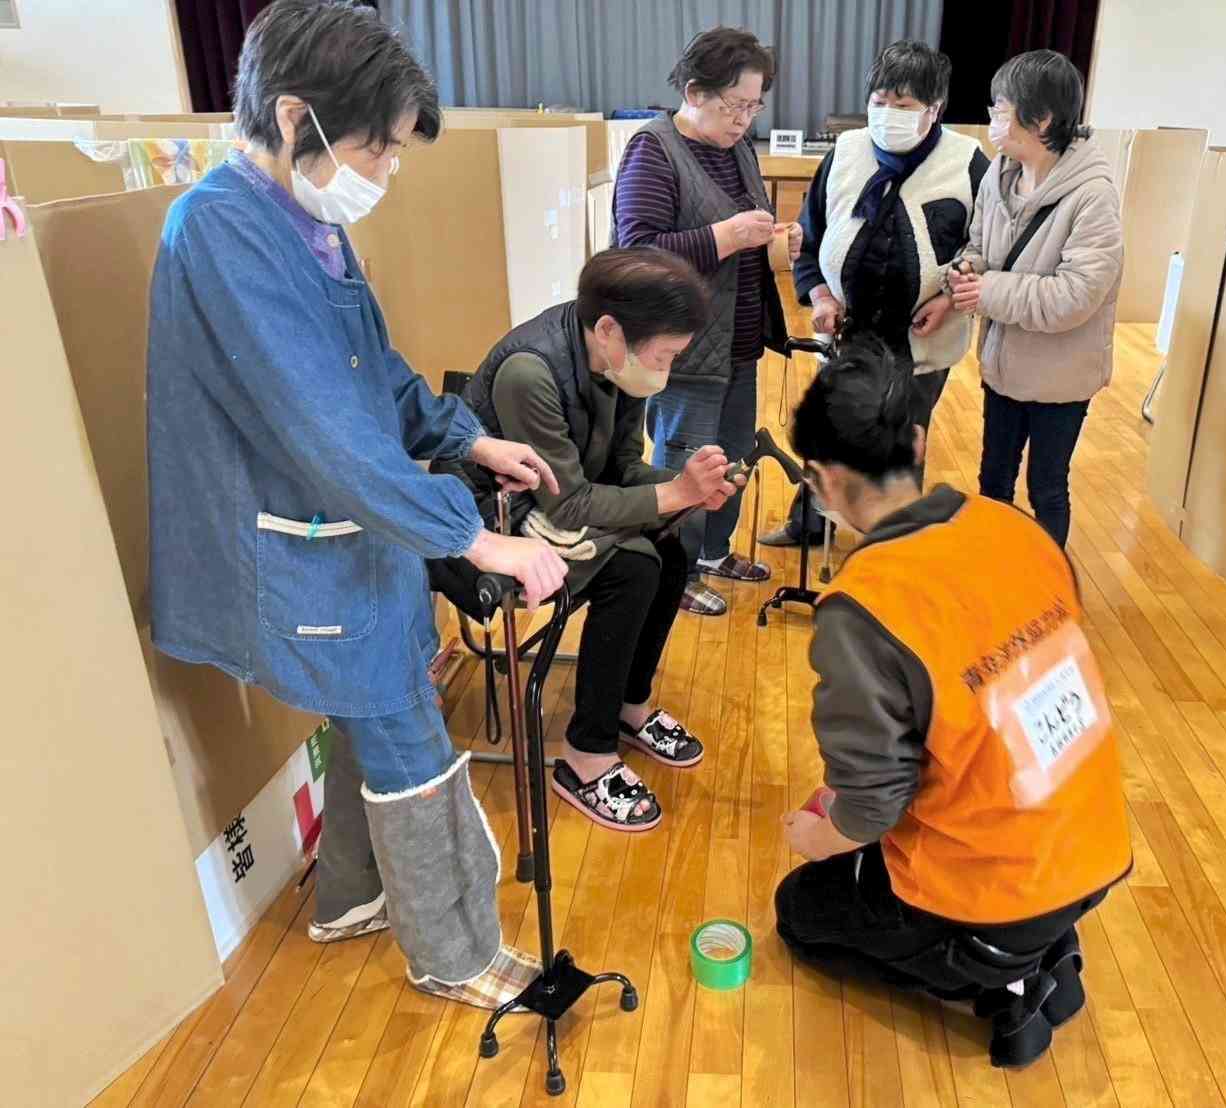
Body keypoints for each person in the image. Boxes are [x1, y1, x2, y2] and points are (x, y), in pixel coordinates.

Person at [147, 0, 569, 1010]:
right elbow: (322, 427)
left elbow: (369, 368)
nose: (386, 173)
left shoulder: (304, 219)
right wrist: (474, 540)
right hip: (297, 538)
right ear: (297, 117)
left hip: (348, 527)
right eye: (378, 148)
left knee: (374, 697)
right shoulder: (220, 231)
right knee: (404, 724)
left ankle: (348, 896)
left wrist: (466, 435)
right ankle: (457, 951)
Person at [773, 342, 1132, 1069]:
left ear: (822, 481)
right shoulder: (1012, 527)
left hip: (990, 889)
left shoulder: (863, 607)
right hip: (1095, 847)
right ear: (917, 440)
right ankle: (1035, 947)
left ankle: (996, 980)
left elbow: (871, 805)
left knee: (801, 911)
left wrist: (824, 837)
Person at [455, 249, 741, 832]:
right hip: (486, 525)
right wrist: (676, 491)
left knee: (675, 539)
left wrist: (691, 490)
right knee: (634, 565)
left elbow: (624, 472)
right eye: (664, 355)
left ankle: (629, 706)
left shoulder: (619, 361)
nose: (666, 370)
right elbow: (573, 502)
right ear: (609, 330)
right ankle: (586, 752)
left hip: (557, 503)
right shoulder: (531, 371)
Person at [762, 39, 988, 548]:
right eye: (880, 102)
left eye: (904, 106)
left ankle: (896, 542)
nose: (888, 114)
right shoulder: (845, 153)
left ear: (934, 109)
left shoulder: (968, 163)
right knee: (830, 433)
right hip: (848, 331)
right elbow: (810, 236)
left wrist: (951, 297)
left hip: (921, 339)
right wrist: (820, 297)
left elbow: (987, 245)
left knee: (904, 442)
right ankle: (810, 523)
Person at [612, 26, 794, 616]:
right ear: (694, 91)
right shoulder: (654, 148)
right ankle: (673, 570)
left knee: (734, 455)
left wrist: (770, 240)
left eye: (754, 106)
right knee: (683, 462)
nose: (745, 119)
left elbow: (745, 232)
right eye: (734, 104)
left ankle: (713, 553)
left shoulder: (735, 147)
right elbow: (637, 250)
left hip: (738, 343)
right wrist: (725, 236)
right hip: (683, 350)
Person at [948, 50, 1124, 549]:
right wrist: (966, 270)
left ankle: (1044, 590)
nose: (992, 120)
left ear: (1042, 119)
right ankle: (995, 574)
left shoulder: (1093, 196)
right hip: (1003, 367)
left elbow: (1076, 295)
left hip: (1061, 379)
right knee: (993, 483)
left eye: (1001, 110)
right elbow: (980, 247)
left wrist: (987, 290)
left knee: (1046, 488)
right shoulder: (999, 173)